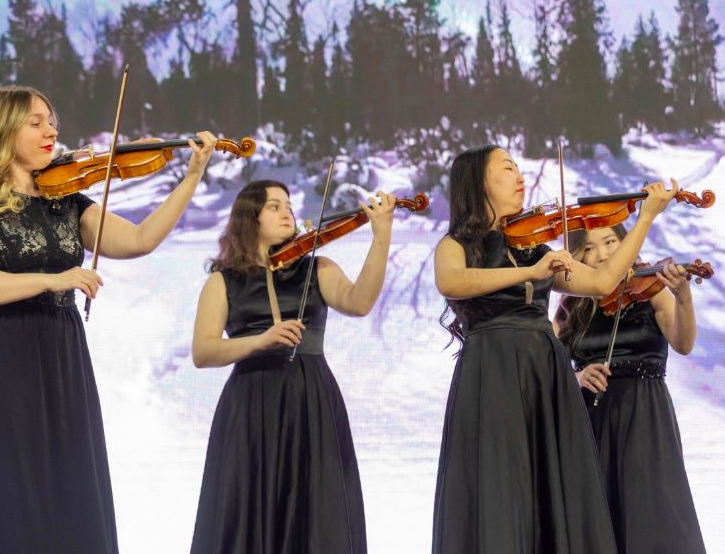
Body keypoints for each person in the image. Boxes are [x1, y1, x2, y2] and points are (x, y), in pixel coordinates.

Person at [0, 85, 216, 552]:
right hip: (1, 359)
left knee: (67, 497)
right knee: (11, 500)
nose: (51, 131)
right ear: (3, 131)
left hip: (60, 356)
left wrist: (191, 177)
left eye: (52, 122)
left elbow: (139, 240)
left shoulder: (66, 197)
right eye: (36, 123)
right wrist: (52, 279)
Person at [432, 144, 678, 553]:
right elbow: (451, 282)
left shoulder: (535, 247)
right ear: (478, 182)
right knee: (501, 481)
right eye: (507, 168)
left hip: (545, 373)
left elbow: (601, 282)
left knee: (552, 486)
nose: (520, 177)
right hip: (492, 373)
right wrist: (530, 272)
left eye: (518, 168)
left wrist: (646, 217)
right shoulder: (456, 244)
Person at [190, 180, 396, 553]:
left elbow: (359, 302)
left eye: (288, 205)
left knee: (316, 506)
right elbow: (203, 352)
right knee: (251, 504)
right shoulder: (223, 281)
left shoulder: (316, 267)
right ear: (249, 218)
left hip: (310, 398)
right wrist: (259, 341)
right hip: (252, 404)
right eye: (274, 206)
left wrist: (381, 236)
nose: (287, 212)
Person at [553, 225, 706, 554]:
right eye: (589, 248)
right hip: (590, 421)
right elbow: (547, 364)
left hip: (645, 418)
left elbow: (683, 343)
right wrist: (575, 377)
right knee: (598, 518)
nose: (603, 254)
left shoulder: (651, 291)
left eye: (610, 241)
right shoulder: (571, 305)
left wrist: (683, 296)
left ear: (627, 243)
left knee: (653, 514)